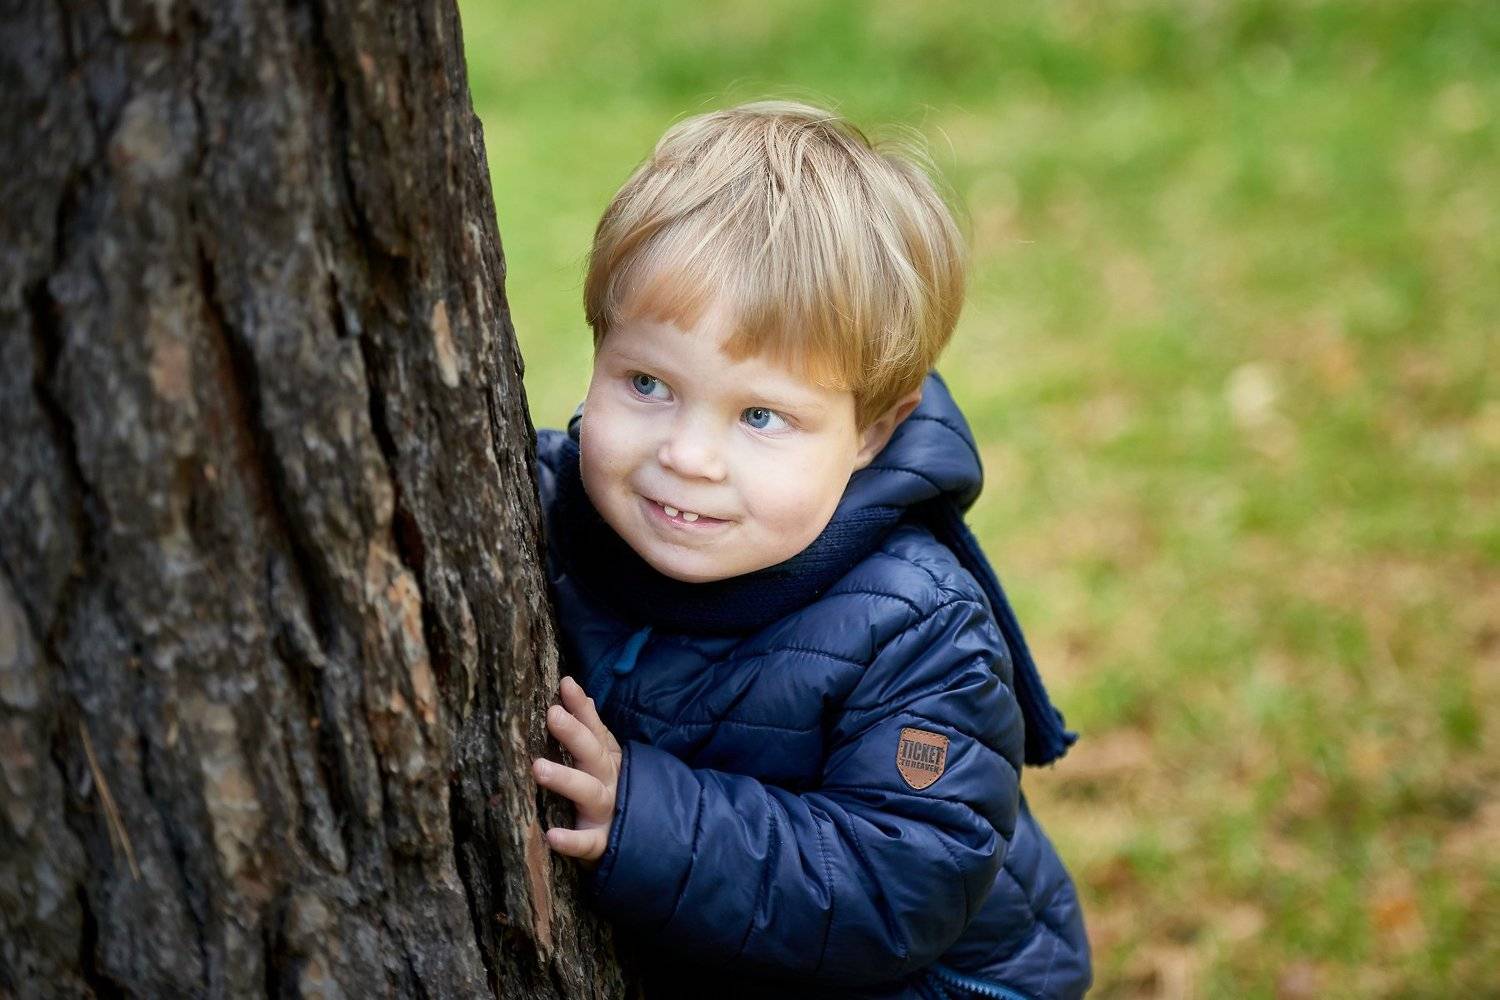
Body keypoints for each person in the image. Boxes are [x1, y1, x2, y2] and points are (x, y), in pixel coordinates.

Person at [528, 99, 1091, 1000]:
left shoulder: (917, 627)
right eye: (648, 383)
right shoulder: (551, 503)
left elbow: (898, 883)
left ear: (871, 432)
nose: (688, 456)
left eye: (760, 415)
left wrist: (646, 816)